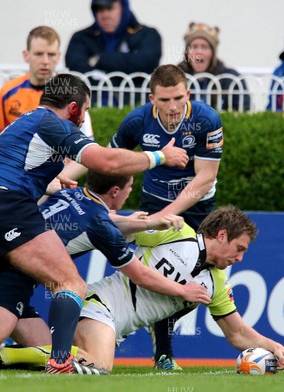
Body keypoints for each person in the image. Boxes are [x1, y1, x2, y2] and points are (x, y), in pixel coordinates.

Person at [0, 171, 208, 372]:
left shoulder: (71, 194)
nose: (128, 194)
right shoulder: (98, 221)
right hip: (15, 272)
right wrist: (183, 291)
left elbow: (99, 218)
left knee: (42, 347)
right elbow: (137, 272)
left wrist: (147, 222)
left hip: (4, 254)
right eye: (128, 188)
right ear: (116, 190)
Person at [0, 206, 284, 373]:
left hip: (112, 327)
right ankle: (3, 354)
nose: (240, 258)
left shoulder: (215, 284)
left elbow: (237, 334)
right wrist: (139, 223)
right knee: (100, 366)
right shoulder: (177, 233)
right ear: (222, 234)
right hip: (96, 304)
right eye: (238, 248)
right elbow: (108, 231)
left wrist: (274, 346)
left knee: (75, 362)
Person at [109, 64, 223, 370]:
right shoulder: (137, 121)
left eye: (178, 98)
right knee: (163, 275)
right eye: (164, 100)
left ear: (188, 93)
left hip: (198, 209)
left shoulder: (206, 119)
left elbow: (205, 179)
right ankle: (164, 353)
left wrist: (164, 216)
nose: (172, 107)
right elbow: (108, 162)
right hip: (154, 201)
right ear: (151, 99)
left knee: (202, 278)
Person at [0, 25, 93, 181]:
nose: (45, 61)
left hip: (57, 182)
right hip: (15, 179)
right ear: (26, 55)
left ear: (59, 56)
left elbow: (86, 154)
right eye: (39, 54)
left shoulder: (73, 92)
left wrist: (53, 180)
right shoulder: (8, 92)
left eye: (51, 54)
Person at [65, 0, 162, 106]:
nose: (105, 15)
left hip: (135, 106)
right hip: (90, 106)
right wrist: (125, 65)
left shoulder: (147, 35)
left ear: (123, 8)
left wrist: (99, 59)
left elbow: (146, 63)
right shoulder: (82, 37)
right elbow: (75, 65)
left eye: (110, 8)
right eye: (100, 10)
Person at [177, 22, 250, 112]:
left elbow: (244, 111)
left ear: (213, 53)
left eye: (204, 47)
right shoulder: (175, 76)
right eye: (194, 47)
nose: (199, 51)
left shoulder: (231, 79)